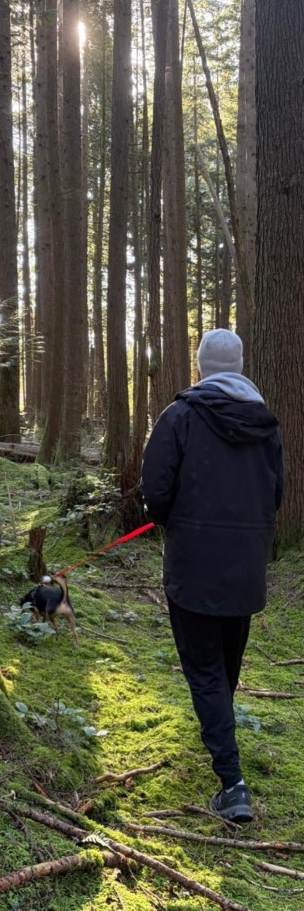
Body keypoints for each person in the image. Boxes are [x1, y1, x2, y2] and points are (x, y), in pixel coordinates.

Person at [141, 329, 284, 822]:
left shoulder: (179, 416)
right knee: (222, 667)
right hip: (245, 569)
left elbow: (154, 491)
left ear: (201, 366)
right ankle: (219, 735)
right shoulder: (266, 424)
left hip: (193, 570)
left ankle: (232, 782)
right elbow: (276, 494)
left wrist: (177, 520)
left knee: (207, 672)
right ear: (239, 367)